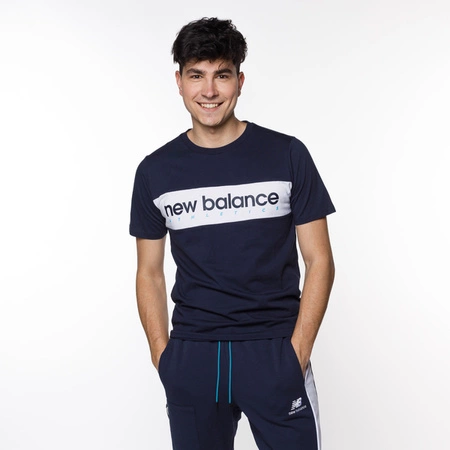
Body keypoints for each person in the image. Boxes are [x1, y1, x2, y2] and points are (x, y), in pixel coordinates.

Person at [129, 17, 335, 450]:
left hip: (273, 351)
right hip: (194, 356)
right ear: (179, 82)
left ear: (240, 81)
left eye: (221, 75)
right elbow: (149, 272)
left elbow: (320, 260)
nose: (209, 90)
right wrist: (163, 357)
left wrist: (296, 353)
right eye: (196, 76)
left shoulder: (287, 154)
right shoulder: (155, 171)